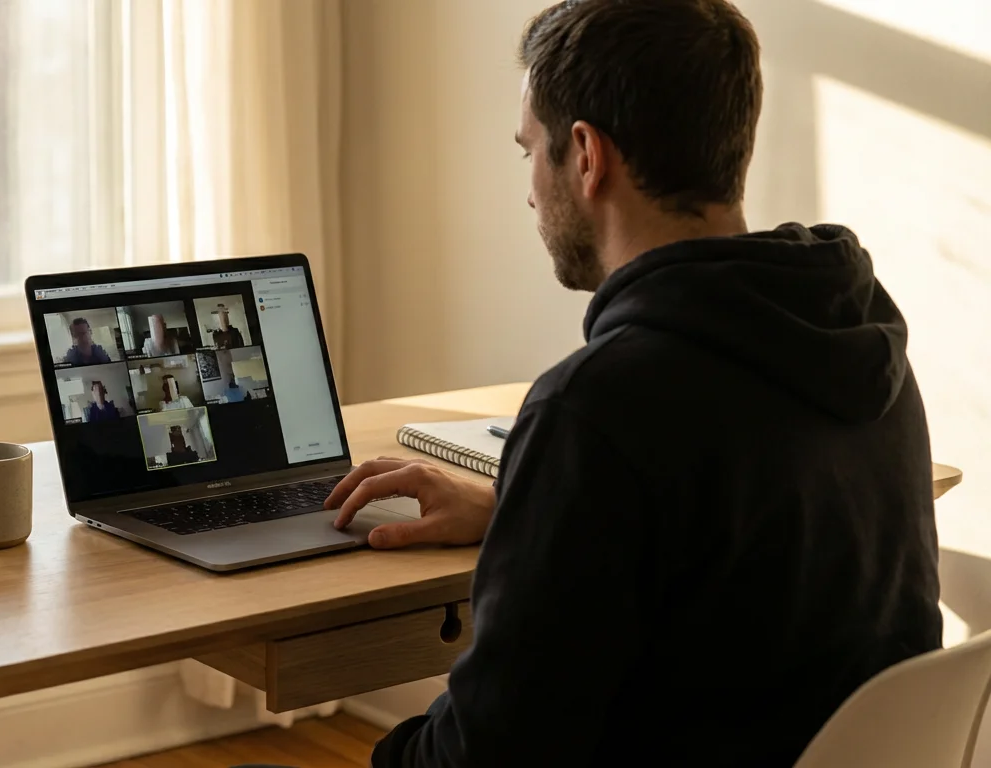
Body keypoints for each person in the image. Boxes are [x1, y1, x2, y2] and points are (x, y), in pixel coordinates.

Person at [321, 2, 941, 767]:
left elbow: (487, 758)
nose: (528, 193)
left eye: (530, 154)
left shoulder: (598, 408)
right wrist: (527, 512)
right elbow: (732, 540)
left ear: (585, 155)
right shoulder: (859, 334)